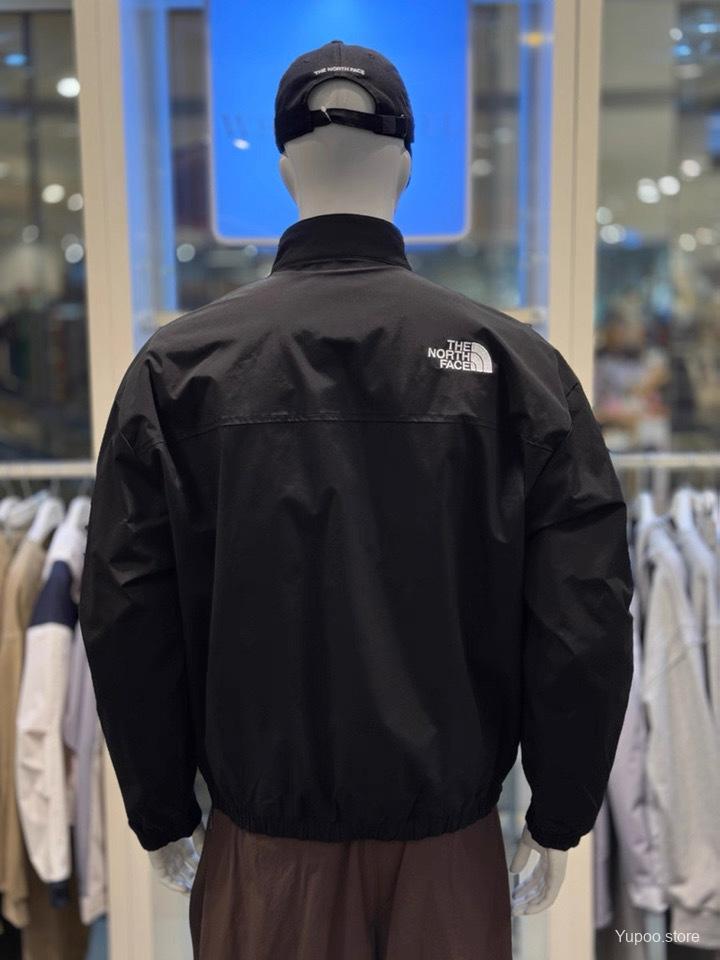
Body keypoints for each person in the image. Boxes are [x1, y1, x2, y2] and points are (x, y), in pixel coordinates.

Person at [78, 40, 634, 960]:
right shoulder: (513, 367)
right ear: (407, 165)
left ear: (284, 169)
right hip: (448, 851)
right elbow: (586, 611)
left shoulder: (180, 372)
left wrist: (162, 807)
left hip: (265, 859)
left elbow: (126, 611)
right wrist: (559, 809)